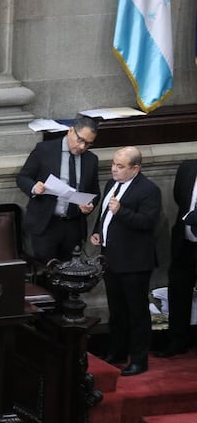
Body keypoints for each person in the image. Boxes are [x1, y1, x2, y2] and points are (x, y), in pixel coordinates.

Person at [90, 146, 161, 376]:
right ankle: (117, 352)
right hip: (111, 259)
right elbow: (104, 213)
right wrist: (98, 231)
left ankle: (139, 359)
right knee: (117, 310)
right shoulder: (112, 184)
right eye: (113, 164)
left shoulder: (148, 190)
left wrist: (122, 211)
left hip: (134, 263)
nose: (114, 169)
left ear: (135, 168)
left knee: (137, 313)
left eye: (120, 166)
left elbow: (147, 222)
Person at [17, 115, 101, 264]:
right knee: (46, 270)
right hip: (46, 224)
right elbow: (23, 177)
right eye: (80, 140)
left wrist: (89, 205)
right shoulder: (44, 150)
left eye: (88, 144)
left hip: (73, 226)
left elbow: (95, 192)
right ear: (71, 131)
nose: (82, 147)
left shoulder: (91, 160)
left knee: (70, 271)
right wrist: (34, 188)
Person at [156, 160, 197, 357]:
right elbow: (180, 199)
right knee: (179, 292)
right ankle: (177, 342)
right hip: (185, 245)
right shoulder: (187, 168)